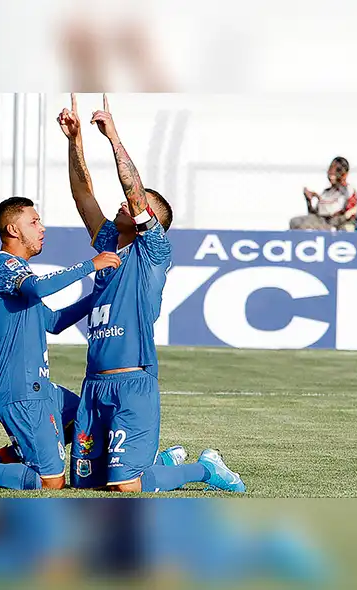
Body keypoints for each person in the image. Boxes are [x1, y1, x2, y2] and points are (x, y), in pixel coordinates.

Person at [58, 93, 245, 493]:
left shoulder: (153, 250)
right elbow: (82, 196)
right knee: (85, 487)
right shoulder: (111, 242)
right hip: (94, 382)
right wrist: (75, 142)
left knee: (126, 488)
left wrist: (113, 138)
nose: (123, 205)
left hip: (133, 381)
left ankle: (204, 469)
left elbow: (133, 190)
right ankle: (159, 461)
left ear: (149, 219)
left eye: (132, 204)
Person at [0, 197, 122, 490]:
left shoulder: (15, 275)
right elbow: (39, 286)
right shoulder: (5, 268)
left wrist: (99, 297)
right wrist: (91, 265)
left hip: (39, 388)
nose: (42, 228)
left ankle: (9, 459)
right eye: (34, 222)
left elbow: (53, 322)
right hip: (19, 390)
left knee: (86, 421)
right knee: (49, 481)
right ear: (14, 230)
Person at [290, 157, 357, 231]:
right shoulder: (327, 192)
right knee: (296, 222)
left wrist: (334, 224)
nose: (332, 173)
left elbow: (349, 214)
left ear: (345, 173)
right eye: (330, 170)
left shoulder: (348, 191)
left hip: (338, 226)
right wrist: (309, 201)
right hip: (324, 224)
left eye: (337, 170)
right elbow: (315, 216)